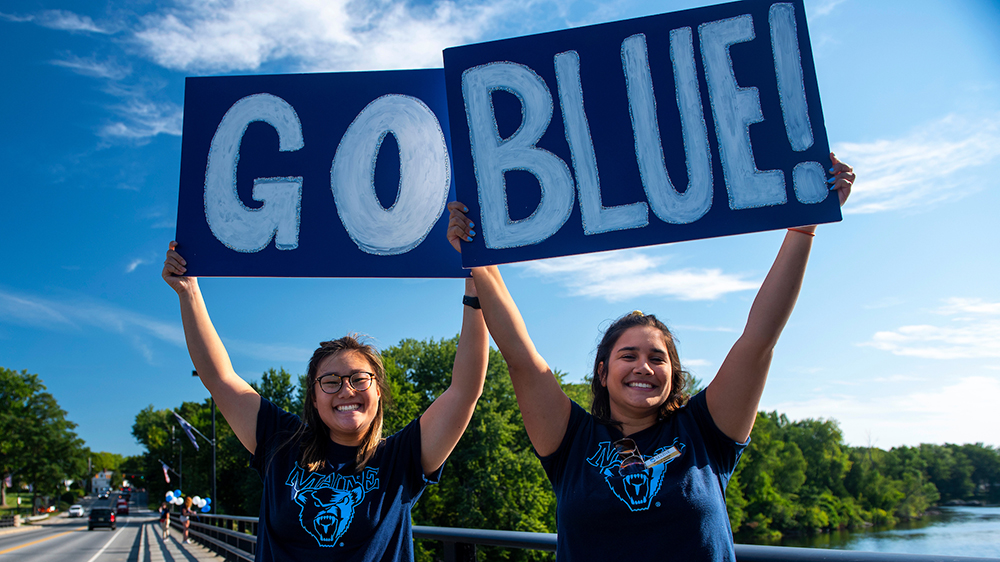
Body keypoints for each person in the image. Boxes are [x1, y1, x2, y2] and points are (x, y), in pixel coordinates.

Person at [446, 154, 854, 561]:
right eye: (628, 355)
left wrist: (805, 225)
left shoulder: (706, 432)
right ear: (603, 372)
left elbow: (759, 338)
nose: (643, 367)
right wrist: (478, 255)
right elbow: (521, 358)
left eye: (657, 359)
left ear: (673, 375)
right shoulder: (572, 440)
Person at [162, 242, 489, 561]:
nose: (346, 391)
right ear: (314, 399)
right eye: (331, 382)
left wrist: (477, 291)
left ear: (378, 391)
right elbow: (219, 378)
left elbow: (464, 392)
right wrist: (188, 291)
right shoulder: (281, 442)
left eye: (359, 379)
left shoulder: (401, 459)